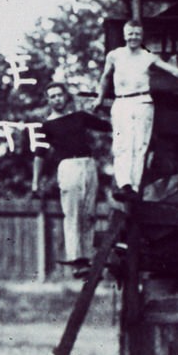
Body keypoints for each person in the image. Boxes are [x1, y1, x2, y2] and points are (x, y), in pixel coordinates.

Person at [92, 20, 178, 201]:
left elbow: (173, 71)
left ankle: (133, 187)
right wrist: (99, 98)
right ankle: (123, 184)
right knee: (122, 144)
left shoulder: (148, 57)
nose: (133, 37)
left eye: (137, 34)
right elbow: (105, 77)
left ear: (142, 36)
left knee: (139, 145)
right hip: (122, 102)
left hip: (142, 102)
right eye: (130, 34)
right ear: (125, 35)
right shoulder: (115, 55)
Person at [32, 82, 110, 274]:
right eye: (52, 96)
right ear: (48, 101)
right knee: (73, 213)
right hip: (68, 167)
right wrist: (35, 182)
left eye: (59, 95)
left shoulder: (80, 117)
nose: (57, 99)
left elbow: (108, 126)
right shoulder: (46, 126)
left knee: (89, 214)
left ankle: (87, 257)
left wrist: (104, 103)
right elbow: (39, 155)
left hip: (89, 165)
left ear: (66, 96)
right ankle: (77, 259)